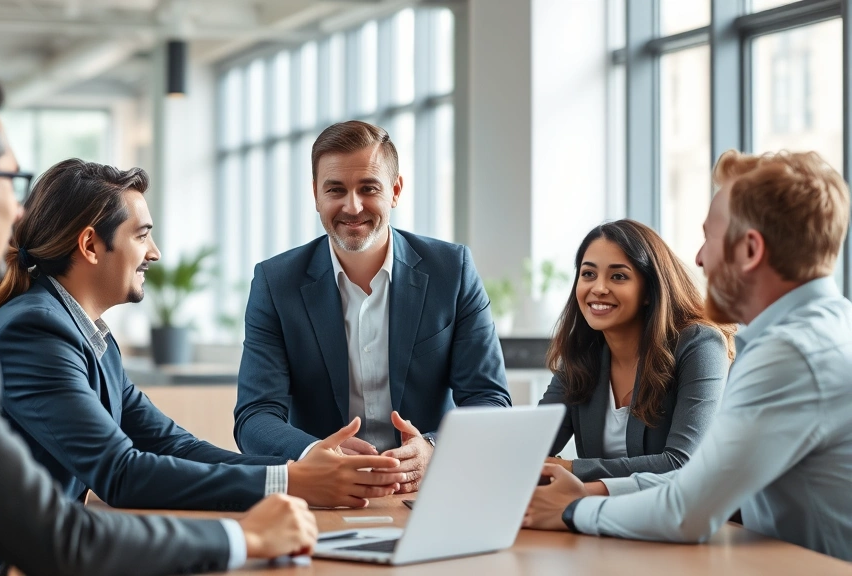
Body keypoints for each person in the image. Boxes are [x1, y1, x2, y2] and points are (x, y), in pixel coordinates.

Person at [0, 63, 316, 576]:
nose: (19, 213)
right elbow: (56, 535)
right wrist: (246, 535)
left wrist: (290, 472)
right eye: (13, 182)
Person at [0, 158, 403, 532]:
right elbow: (121, 474)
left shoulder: (86, 332)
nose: (154, 253)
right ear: (90, 245)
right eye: (141, 235)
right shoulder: (36, 332)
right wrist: (291, 484)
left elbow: (170, 444)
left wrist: (294, 470)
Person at [524, 150, 852, 562]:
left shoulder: (789, 355)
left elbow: (686, 510)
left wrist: (572, 509)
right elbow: (697, 483)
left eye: (709, 238)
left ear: (750, 249)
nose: (699, 259)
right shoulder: (828, 329)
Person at [234, 120, 511, 493]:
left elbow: (490, 400)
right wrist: (313, 450)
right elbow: (255, 416)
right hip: (326, 493)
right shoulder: (275, 283)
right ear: (316, 195)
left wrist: (434, 448)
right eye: (336, 189)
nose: (352, 206)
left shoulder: (452, 271)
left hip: (432, 488)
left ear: (395, 191)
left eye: (368, 188)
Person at [539, 219, 733, 482]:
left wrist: (571, 469)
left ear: (649, 291)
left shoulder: (699, 345)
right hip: (597, 516)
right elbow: (533, 450)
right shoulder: (582, 353)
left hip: (679, 519)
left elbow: (682, 464)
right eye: (588, 274)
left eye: (618, 276)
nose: (598, 288)